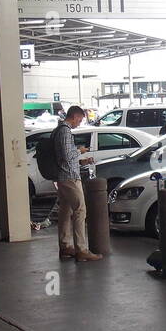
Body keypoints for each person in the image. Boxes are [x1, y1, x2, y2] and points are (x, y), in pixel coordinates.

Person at [52, 105, 102, 262]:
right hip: (70, 177)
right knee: (80, 210)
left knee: (65, 211)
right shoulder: (65, 131)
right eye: (79, 120)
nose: (79, 123)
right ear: (74, 116)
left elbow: (64, 158)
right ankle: (81, 249)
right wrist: (80, 150)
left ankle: (65, 246)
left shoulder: (58, 130)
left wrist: (82, 161)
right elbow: (67, 156)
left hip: (62, 176)